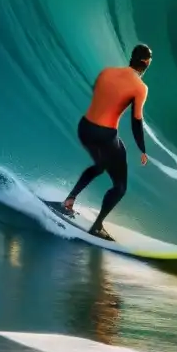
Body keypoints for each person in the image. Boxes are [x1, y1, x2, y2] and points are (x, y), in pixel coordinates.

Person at [63, 44, 151, 240]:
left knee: (101, 165)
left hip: (85, 127)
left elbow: (98, 92)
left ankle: (69, 200)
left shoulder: (107, 72)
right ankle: (97, 226)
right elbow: (136, 120)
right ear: (146, 63)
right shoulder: (140, 88)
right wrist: (142, 149)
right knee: (120, 187)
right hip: (105, 136)